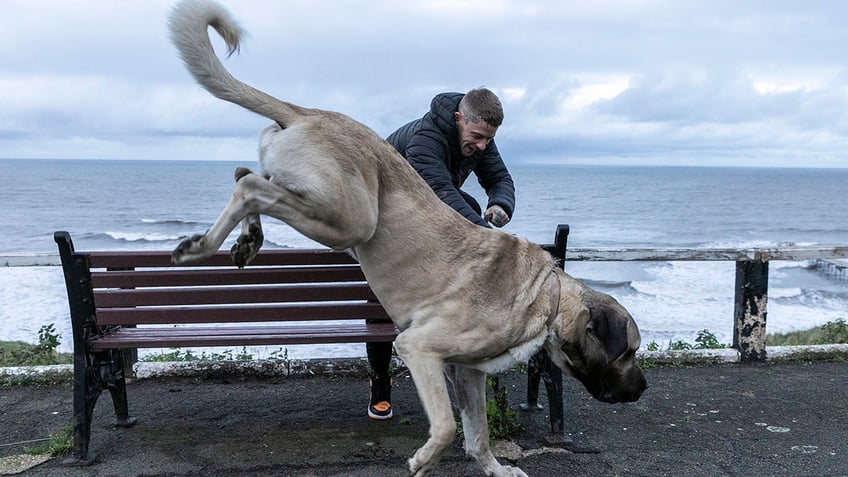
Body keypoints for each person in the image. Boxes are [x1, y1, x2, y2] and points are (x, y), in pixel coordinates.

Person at [365, 87, 516, 420]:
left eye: (488, 140)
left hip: (422, 215)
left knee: (474, 208)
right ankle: (380, 380)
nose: (481, 146)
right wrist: (487, 238)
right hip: (384, 214)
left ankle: (457, 360)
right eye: (477, 137)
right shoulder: (424, 140)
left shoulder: (480, 137)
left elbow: (498, 177)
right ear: (458, 119)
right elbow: (440, 193)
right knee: (380, 301)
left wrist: (501, 204)